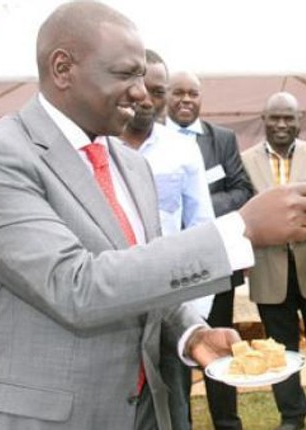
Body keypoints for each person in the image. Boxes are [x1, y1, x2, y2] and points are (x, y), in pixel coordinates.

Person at [0, 2, 306, 429]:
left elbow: (138, 277)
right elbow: (76, 285)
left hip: (144, 411)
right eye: (126, 75)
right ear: (62, 68)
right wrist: (240, 229)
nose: (142, 93)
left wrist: (191, 333)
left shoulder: (130, 165)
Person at [121, 50, 215, 430]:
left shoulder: (182, 149)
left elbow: (200, 227)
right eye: (140, 88)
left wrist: (193, 315)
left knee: (174, 408)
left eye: (158, 91)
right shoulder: (95, 148)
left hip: (169, 303)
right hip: (109, 307)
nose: (147, 99)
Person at [167, 69, 254, 430]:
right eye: (178, 93)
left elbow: (242, 191)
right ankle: (178, 421)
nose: (186, 100)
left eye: (193, 94)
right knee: (175, 346)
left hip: (215, 264)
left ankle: (227, 421)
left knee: (219, 342)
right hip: (169, 267)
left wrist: (196, 206)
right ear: (165, 98)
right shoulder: (153, 142)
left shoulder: (222, 139)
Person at [242, 92, 306, 430]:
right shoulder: (244, 161)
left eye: (289, 118)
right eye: (274, 117)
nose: (282, 124)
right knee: (281, 351)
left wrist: (293, 230)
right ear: (263, 120)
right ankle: (291, 415)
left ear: (300, 121)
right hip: (269, 270)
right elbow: (244, 210)